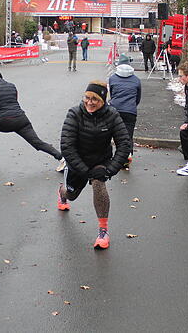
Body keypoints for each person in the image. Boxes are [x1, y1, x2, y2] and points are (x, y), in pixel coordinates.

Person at [58, 81, 131, 249]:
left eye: (95, 99)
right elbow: (67, 147)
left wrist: (110, 170)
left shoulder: (112, 115)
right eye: (87, 98)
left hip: (100, 161)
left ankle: (103, 231)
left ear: (103, 101)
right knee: (71, 195)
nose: (90, 102)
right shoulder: (74, 114)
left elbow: (124, 144)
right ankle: (62, 192)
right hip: (77, 163)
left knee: (99, 185)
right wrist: (84, 171)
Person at [0, 69, 66, 171]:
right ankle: (61, 158)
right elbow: (13, 103)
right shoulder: (12, 86)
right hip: (21, 120)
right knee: (37, 142)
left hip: (5, 121)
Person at [108, 54, 141, 169]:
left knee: (115, 134)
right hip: (130, 111)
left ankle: (116, 157)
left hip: (115, 110)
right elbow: (138, 98)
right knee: (128, 135)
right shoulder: (136, 80)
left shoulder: (112, 78)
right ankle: (128, 155)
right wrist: (131, 105)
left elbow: (112, 94)